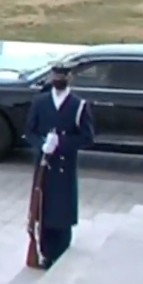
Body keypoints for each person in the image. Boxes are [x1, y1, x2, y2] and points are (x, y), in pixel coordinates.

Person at [23, 64, 94, 269]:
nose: (58, 79)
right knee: (44, 207)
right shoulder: (40, 102)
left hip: (65, 165)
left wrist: (61, 143)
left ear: (70, 78)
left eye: (62, 76)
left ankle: (61, 248)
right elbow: (30, 131)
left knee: (61, 209)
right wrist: (42, 144)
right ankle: (46, 252)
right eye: (55, 76)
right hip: (44, 164)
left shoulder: (78, 105)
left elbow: (87, 136)